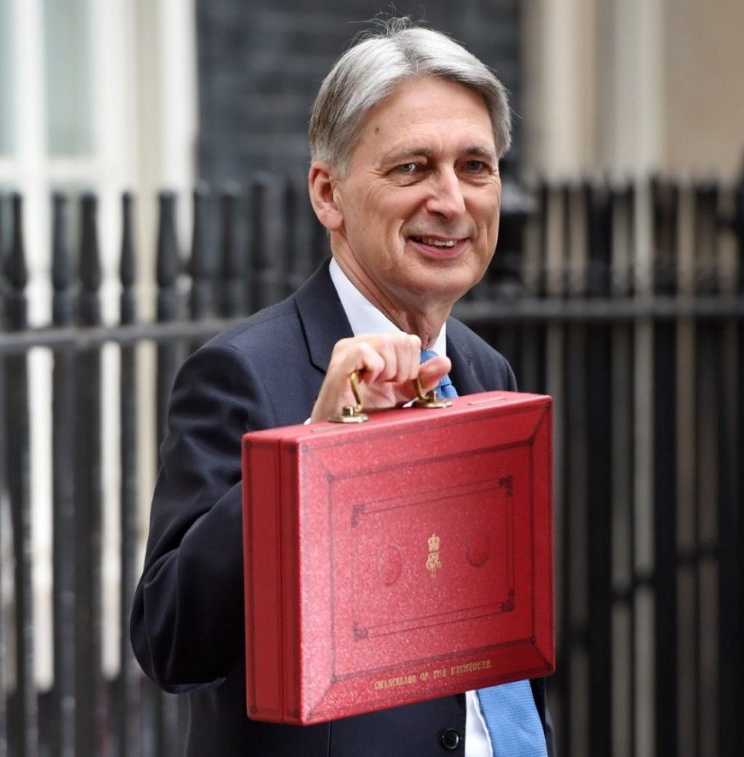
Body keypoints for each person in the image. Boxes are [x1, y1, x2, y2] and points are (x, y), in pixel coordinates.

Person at [131, 18, 555, 756]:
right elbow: (170, 644)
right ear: (328, 193)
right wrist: (313, 453)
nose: (452, 200)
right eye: (412, 167)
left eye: (476, 167)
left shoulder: (485, 372)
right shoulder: (241, 372)